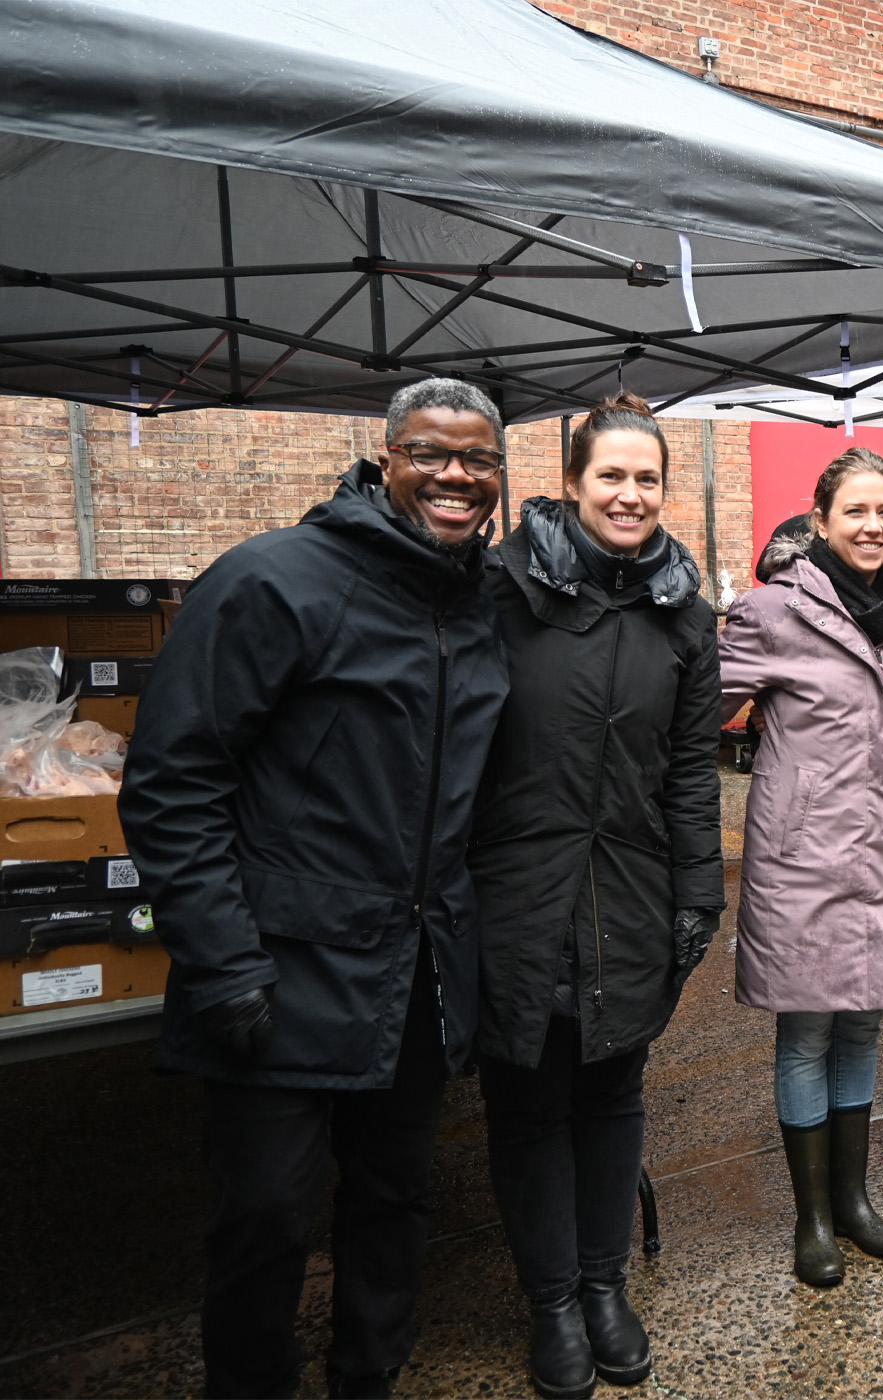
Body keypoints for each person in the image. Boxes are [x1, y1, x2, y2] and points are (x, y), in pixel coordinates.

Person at [119, 378, 512, 1399]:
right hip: (279, 973)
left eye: (478, 459)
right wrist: (223, 957)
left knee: (392, 1204)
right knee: (266, 1222)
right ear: (384, 456)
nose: (456, 476)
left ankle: (366, 1379)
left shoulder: (479, 601)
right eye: (431, 453)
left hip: (416, 972)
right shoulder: (273, 579)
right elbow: (172, 780)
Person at [468, 393, 721, 1399]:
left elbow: (693, 767)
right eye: (610, 475)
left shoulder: (684, 615)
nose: (629, 493)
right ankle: (550, 1301)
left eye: (646, 478)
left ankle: (603, 1282)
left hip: (629, 885)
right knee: (527, 1098)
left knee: (612, 1090)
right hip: (516, 888)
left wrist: (697, 891)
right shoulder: (501, 590)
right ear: (573, 482)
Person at [718, 447, 883, 1286]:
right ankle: (812, 1218)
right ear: (820, 521)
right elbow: (697, 706)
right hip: (805, 861)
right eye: (854, 511)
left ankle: (853, 1201)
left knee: (864, 1025)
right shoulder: (774, 612)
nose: (873, 525)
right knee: (807, 1031)